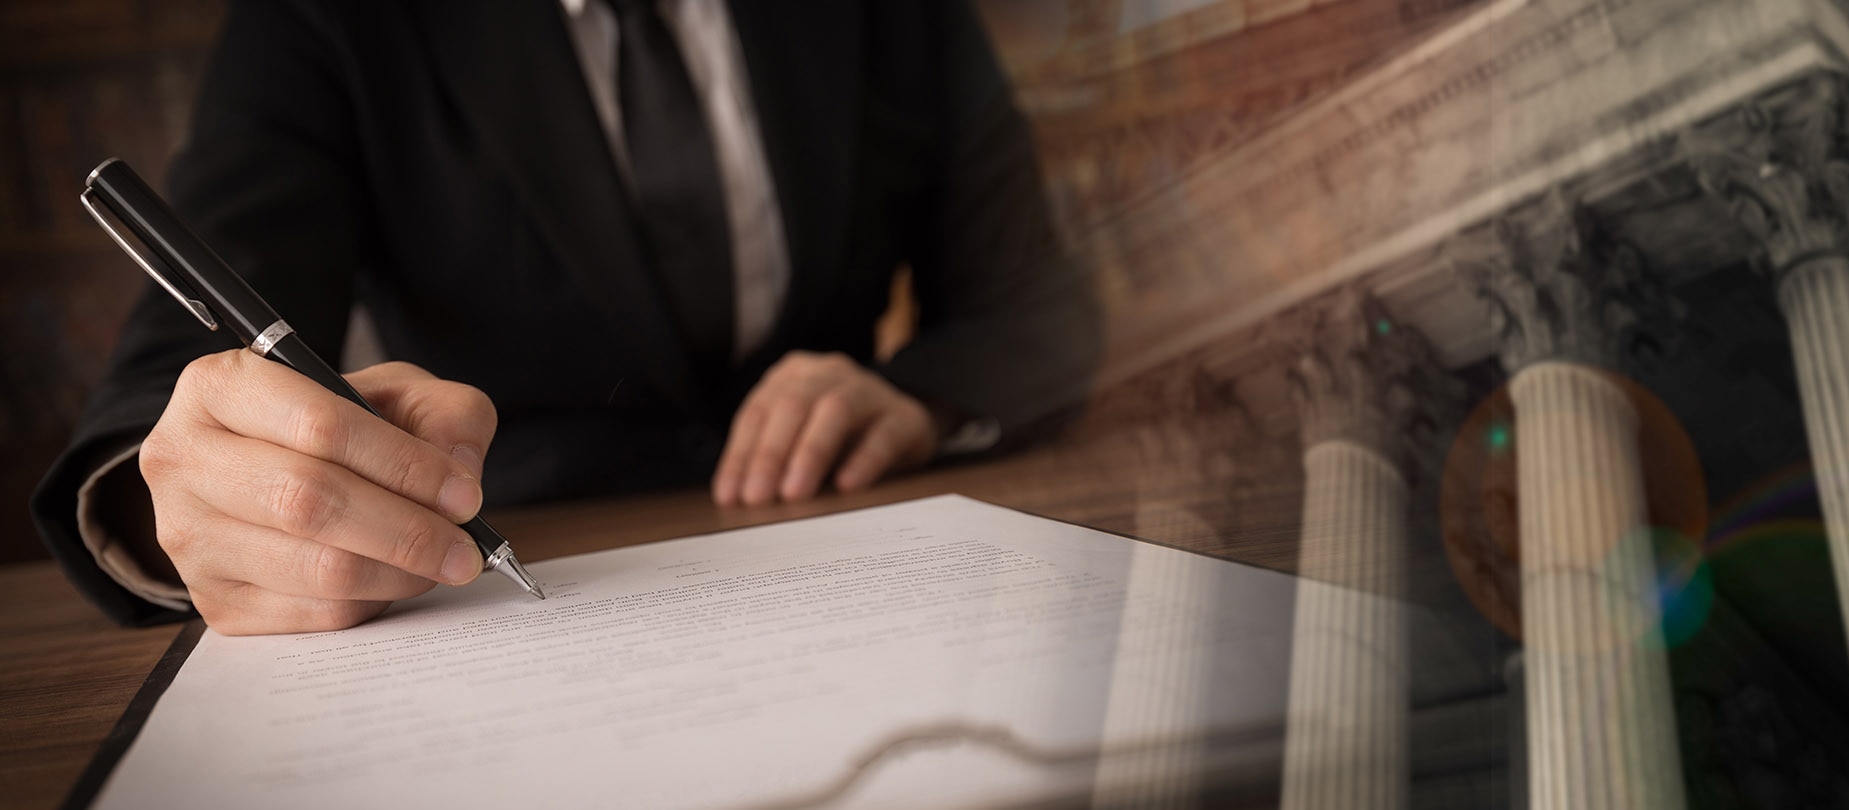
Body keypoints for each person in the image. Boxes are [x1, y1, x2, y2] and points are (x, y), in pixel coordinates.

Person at [31, 0, 1099, 635]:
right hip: (504, 553)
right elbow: (187, 364)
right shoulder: (325, 18)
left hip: (855, 537)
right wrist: (186, 503)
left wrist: (917, 394)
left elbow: (1043, 307)